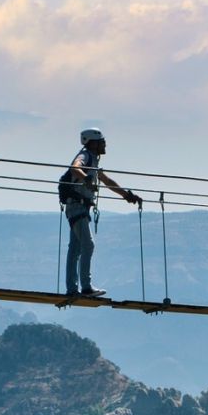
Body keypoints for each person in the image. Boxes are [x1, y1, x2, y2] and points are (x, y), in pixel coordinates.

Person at [62, 127, 142, 298]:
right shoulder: (85, 156)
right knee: (87, 245)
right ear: (93, 143)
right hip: (77, 206)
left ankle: (72, 288)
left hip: (79, 206)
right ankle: (86, 287)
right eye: (102, 142)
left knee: (75, 249)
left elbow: (107, 181)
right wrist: (87, 178)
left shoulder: (94, 161)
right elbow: (75, 167)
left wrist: (127, 195)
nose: (105, 145)